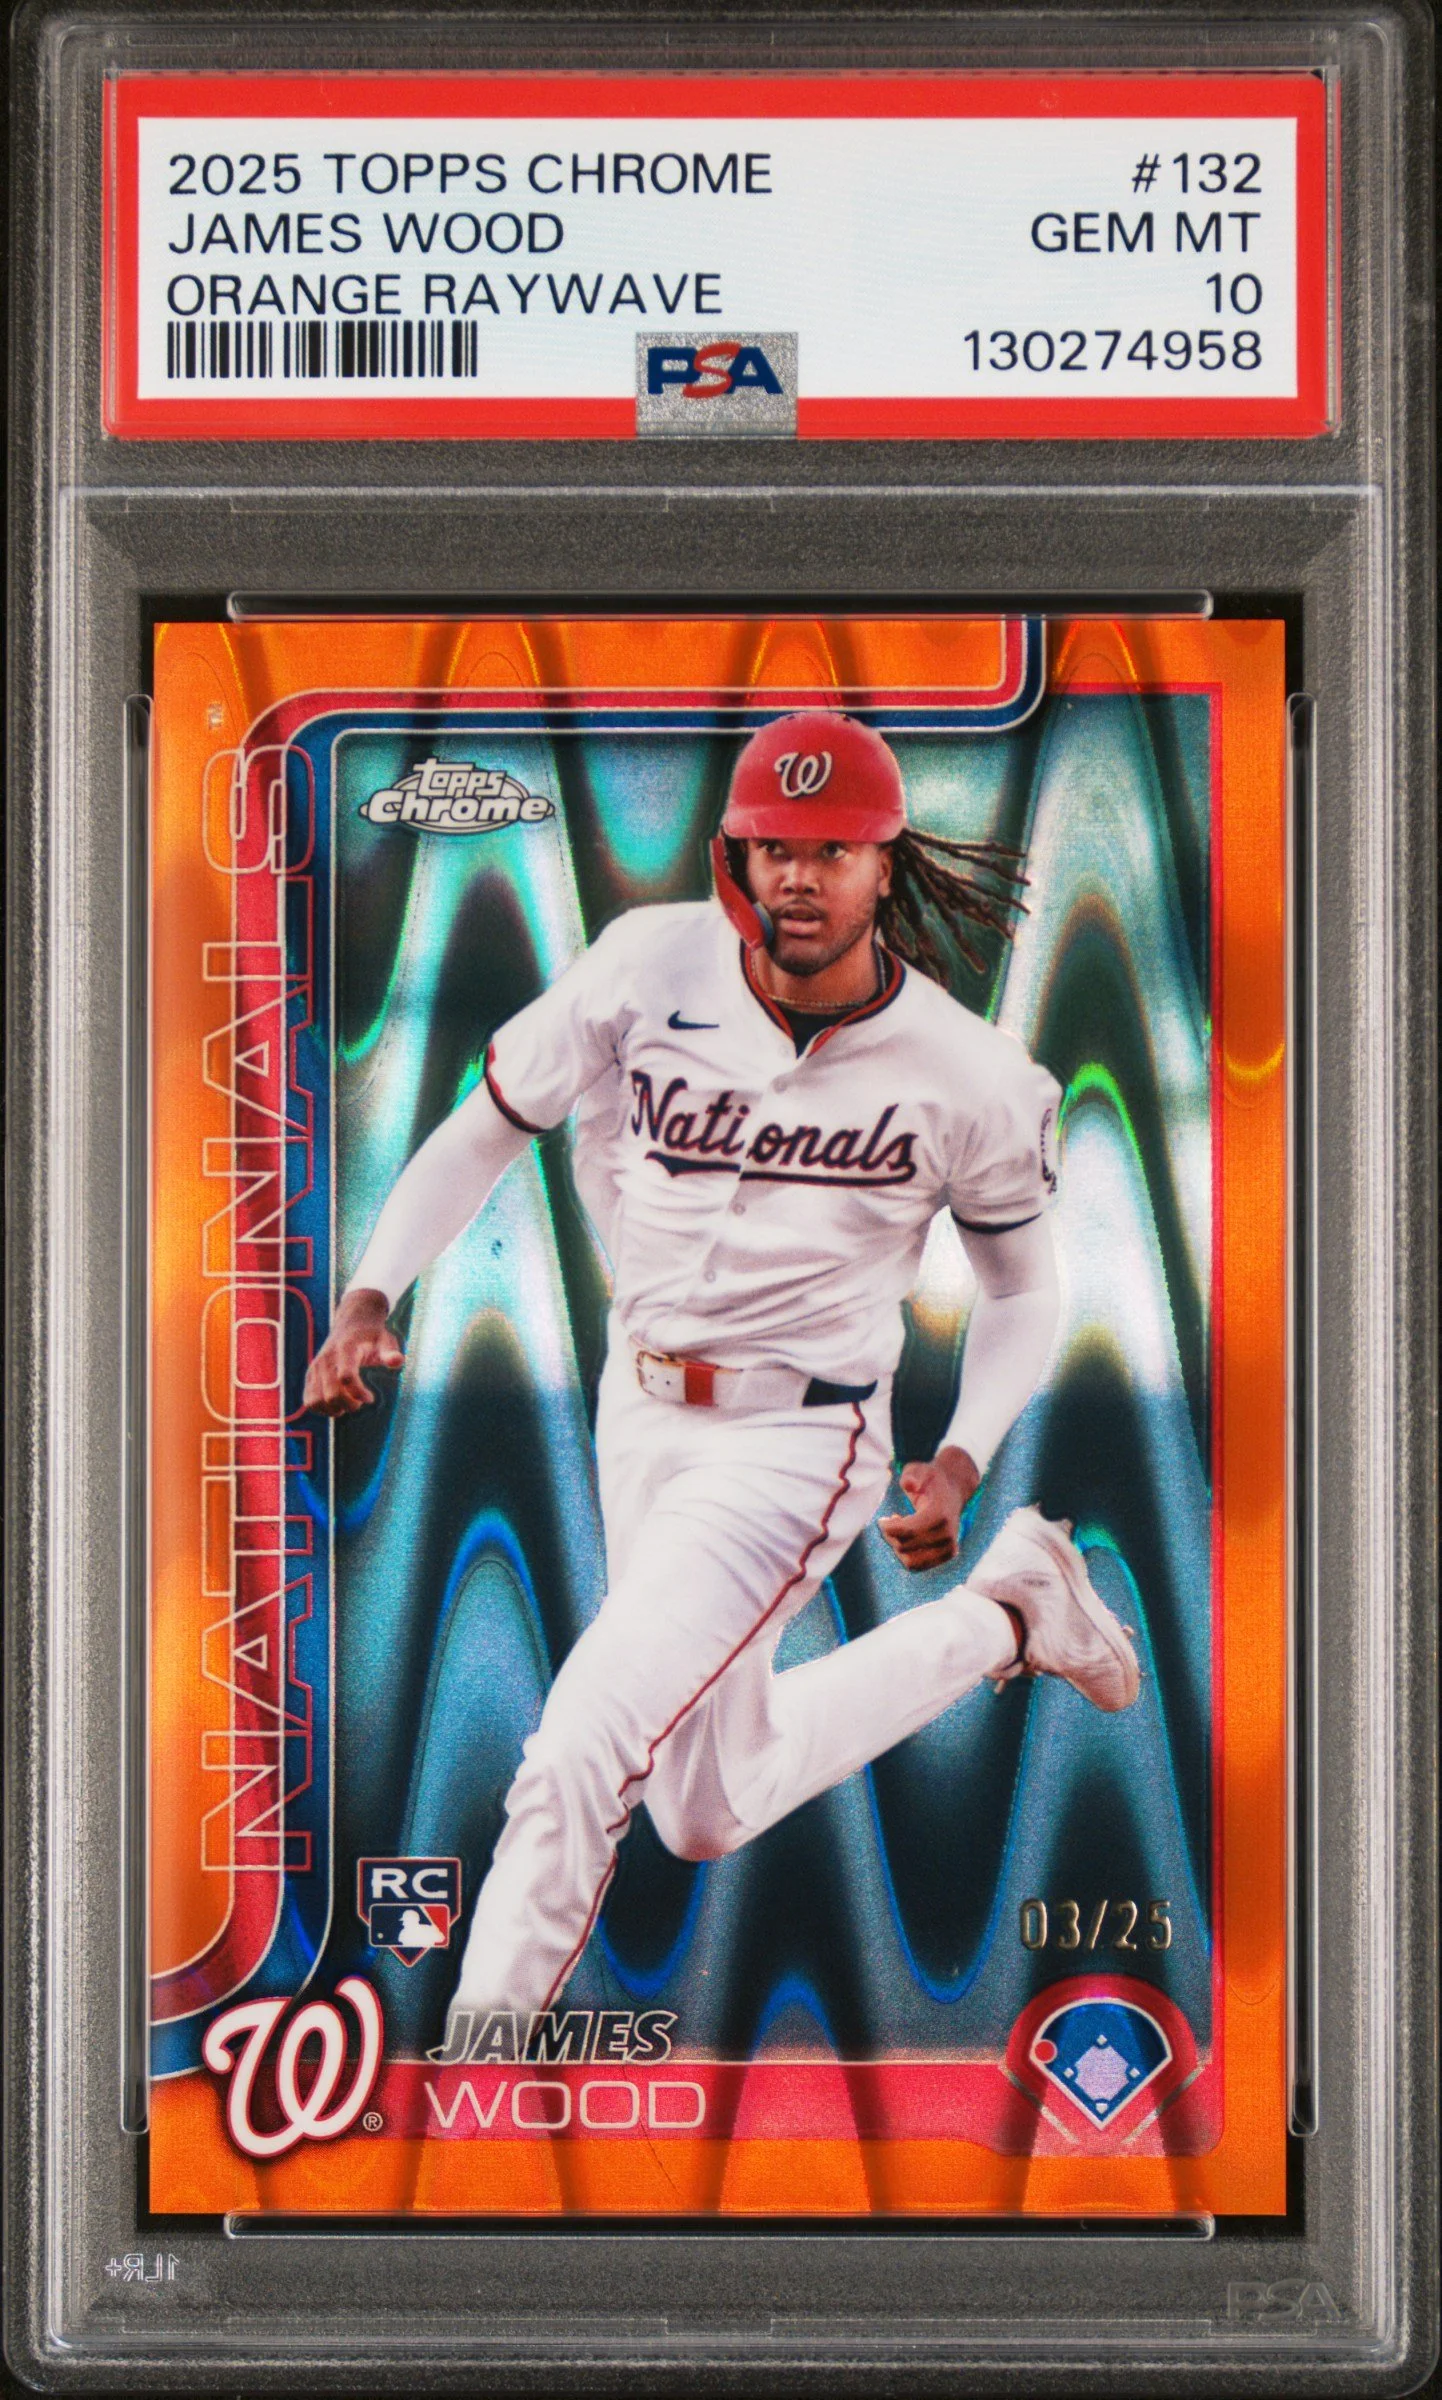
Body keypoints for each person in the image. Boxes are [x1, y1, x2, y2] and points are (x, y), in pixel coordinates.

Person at [303, 712, 1139, 2058]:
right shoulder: (648, 965)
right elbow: (484, 1131)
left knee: (583, 1742)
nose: (799, 877)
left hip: (797, 1442)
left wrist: (965, 1452)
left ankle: (479, 2066)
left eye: (832, 850)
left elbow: (1022, 1293)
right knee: (706, 1802)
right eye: (773, 847)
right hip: (636, 1409)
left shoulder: (970, 1074)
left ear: (885, 865)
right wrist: (368, 1296)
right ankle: (1008, 1617)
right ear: (729, 855)